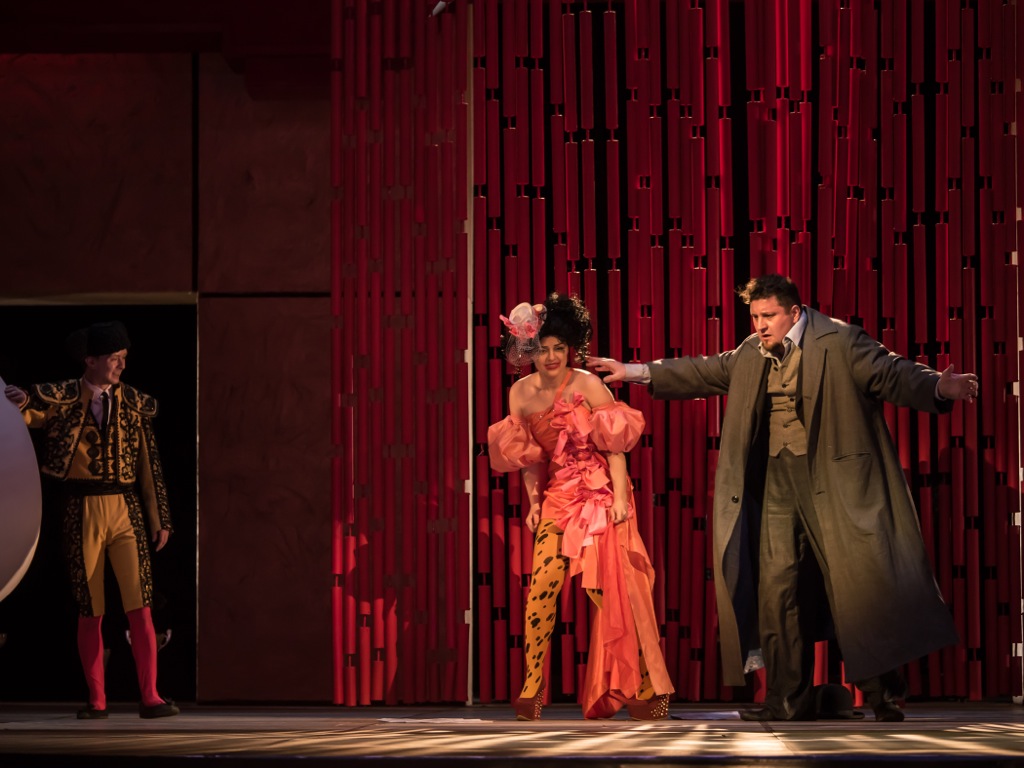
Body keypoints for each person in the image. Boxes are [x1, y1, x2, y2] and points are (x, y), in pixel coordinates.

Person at [587, 275, 978, 722]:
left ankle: (881, 694)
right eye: (755, 316)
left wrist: (937, 386)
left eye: (768, 316)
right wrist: (635, 371)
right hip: (777, 483)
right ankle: (786, 699)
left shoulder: (841, 340)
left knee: (857, 588)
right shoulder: (752, 352)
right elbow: (705, 370)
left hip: (836, 482)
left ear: (794, 312)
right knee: (777, 588)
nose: (760, 325)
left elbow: (891, 372)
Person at [487, 294, 674, 720]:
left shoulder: (588, 384)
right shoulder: (520, 393)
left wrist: (621, 499)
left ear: (570, 347)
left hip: (599, 496)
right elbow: (528, 459)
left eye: (559, 348)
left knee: (611, 596)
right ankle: (532, 687)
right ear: (529, 351)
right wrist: (534, 504)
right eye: (543, 349)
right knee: (541, 590)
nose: (552, 357)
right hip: (559, 498)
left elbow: (615, 447)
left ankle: (644, 685)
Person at [3, 321, 179, 719]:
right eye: (114, 359)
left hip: (126, 510)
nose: (121, 365)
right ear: (91, 361)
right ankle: (97, 700)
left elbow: (149, 464)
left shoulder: (133, 403)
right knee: (91, 607)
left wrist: (160, 517)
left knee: (140, 604)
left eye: (123, 358)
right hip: (81, 509)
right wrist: (20, 404)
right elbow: (33, 417)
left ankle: (151, 696)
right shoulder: (65, 398)